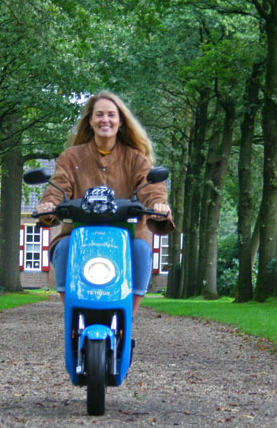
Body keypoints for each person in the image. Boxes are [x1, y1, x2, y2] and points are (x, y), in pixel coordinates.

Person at [36, 90, 175, 316]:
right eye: (99, 114)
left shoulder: (136, 159)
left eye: (111, 115)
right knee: (62, 248)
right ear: (90, 120)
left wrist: (159, 205)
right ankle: (73, 318)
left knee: (141, 250)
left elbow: (152, 188)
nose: (105, 120)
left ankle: (127, 319)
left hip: (127, 235)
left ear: (120, 121)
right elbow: (58, 186)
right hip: (78, 234)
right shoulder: (70, 158)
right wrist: (49, 205)